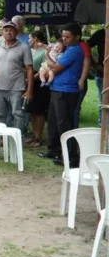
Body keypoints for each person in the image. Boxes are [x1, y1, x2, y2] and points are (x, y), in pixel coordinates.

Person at [40, 23, 84, 166]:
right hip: (57, 89)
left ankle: (71, 156)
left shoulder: (74, 50)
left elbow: (56, 68)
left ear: (77, 37)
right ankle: (54, 150)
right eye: (63, 36)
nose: (64, 39)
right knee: (53, 121)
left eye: (68, 37)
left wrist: (46, 54)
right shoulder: (68, 49)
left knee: (64, 123)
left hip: (67, 91)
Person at [0, 21, 33, 135]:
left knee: (17, 114)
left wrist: (29, 90)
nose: (8, 32)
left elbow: (29, 69)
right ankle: (0, 138)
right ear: (2, 33)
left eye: (11, 30)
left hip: (16, 87)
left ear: (16, 32)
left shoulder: (24, 48)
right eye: (6, 30)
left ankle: (17, 140)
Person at [27, 30, 50, 148]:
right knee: (32, 110)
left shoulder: (44, 52)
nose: (28, 40)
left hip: (39, 82)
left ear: (36, 38)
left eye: (30, 38)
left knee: (39, 111)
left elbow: (44, 68)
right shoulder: (30, 50)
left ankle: (39, 137)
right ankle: (34, 134)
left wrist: (32, 78)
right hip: (29, 82)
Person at [73, 34, 92, 128]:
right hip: (69, 82)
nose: (64, 38)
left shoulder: (83, 45)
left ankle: (74, 136)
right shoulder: (68, 46)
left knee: (75, 110)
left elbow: (87, 62)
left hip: (78, 81)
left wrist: (82, 79)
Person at [88, 27, 105, 125]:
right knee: (104, 102)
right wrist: (95, 65)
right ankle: (103, 128)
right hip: (103, 74)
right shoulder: (101, 33)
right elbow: (86, 47)